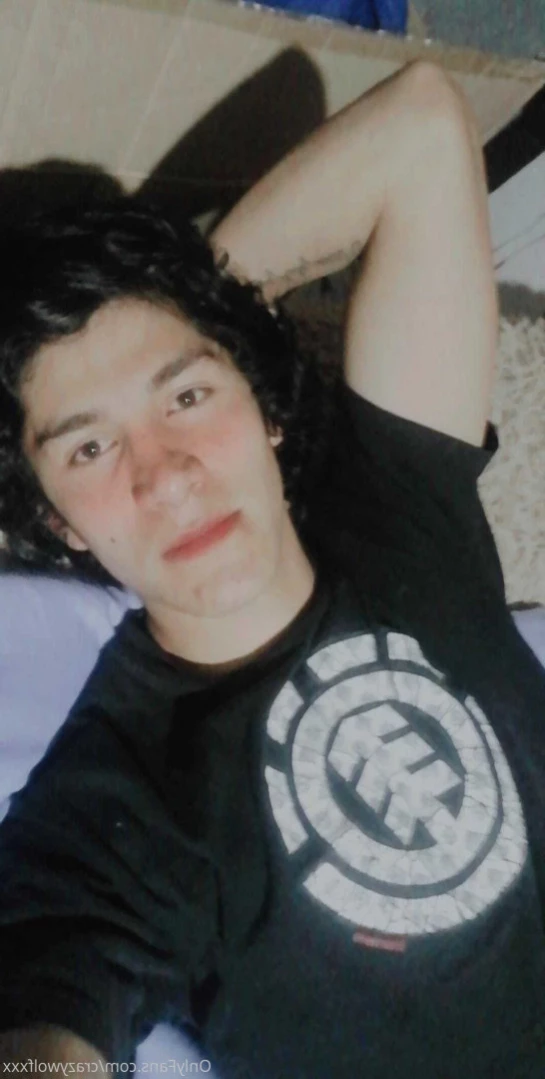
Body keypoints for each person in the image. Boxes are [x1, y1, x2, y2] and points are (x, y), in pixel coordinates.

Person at [0, 58, 544, 1079]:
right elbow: (41, 1019)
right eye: (90, 446)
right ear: (55, 519)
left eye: (187, 396)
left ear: (264, 405)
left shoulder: (390, 497)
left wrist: (187, 295)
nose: (166, 475)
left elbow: (423, 124)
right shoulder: (111, 804)